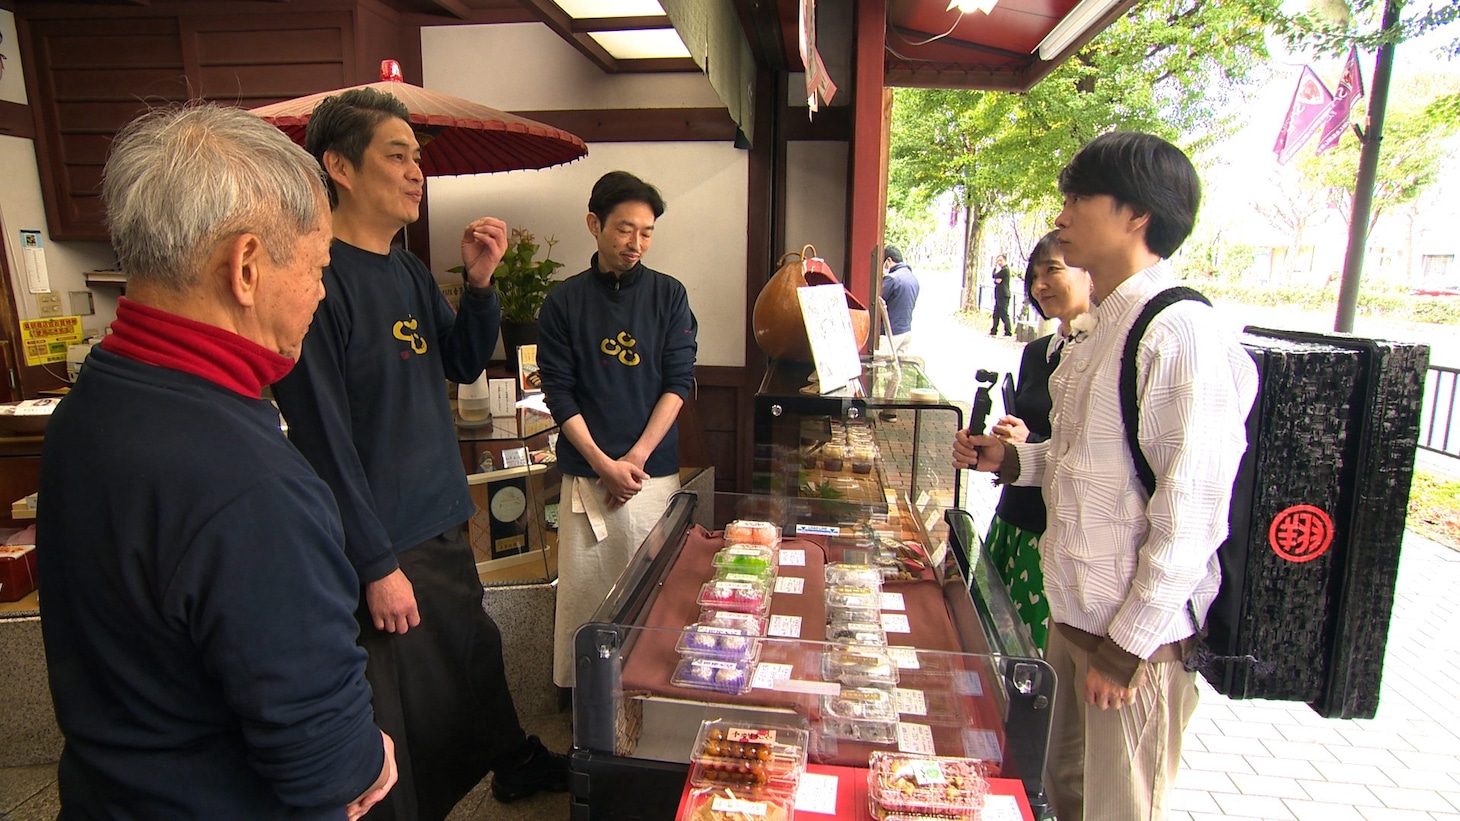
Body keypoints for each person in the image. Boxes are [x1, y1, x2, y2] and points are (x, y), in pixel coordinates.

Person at [37, 104, 396, 819]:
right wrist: (368, 754)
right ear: (246, 266)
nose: (321, 294)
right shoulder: (248, 482)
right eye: (319, 267)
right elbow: (328, 764)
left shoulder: (94, 399)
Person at [271, 87, 566, 818]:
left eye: (417, 158)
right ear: (338, 166)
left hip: (440, 514)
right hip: (386, 539)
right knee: (403, 701)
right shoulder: (318, 281)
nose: (415, 172)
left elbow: (463, 359)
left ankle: (509, 762)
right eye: (396, 156)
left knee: (471, 662)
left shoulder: (403, 269)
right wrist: (375, 564)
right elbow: (322, 441)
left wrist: (480, 280)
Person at [954, 132, 1257, 821]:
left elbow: (1194, 509)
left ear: (1136, 215)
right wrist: (1014, 461)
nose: (1061, 215)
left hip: (1133, 646)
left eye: (1078, 197)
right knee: (1063, 792)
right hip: (1076, 624)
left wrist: (1129, 646)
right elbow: (1085, 465)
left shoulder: (1178, 331)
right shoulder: (1099, 329)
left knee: (1119, 806)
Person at [539, 170, 698, 688]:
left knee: (656, 585)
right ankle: (581, 691)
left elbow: (678, 381)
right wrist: (604, 465)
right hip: (588, 475)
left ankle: (647, 688)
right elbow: (559, 394)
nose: (636, 244)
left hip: (652, 475)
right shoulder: (563, 302)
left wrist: (635, 458)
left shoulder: (670, 296)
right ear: (594, 224)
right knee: (586, 592)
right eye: (625, 229)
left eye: (647, 232)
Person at [977, 231, 1092, 652]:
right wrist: (1003, 446)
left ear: (1090, 274)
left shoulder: (1101, 354)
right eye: (1033, 274)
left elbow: (1091, 452)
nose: (1039, 284)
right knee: (995, 645)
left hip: (1052, 533)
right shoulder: (1039, 351)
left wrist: (1030, 442)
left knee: (1035, 660)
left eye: (1053, 270)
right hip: (1013, 520)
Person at [880, 244, 920, 358]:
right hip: (906, 332)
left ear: (888, 261)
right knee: (897, 371)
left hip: (890, 334)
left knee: (882, 369)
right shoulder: (913, 279)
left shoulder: (892, 279)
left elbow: (877, 301)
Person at [989, 253, 1013, 336]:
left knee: (1004, 313)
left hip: (1003, 295)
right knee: (996, 313)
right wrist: (996, 280)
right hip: (999, 295)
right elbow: (995, 278)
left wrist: (996, 279)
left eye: (1000, 260)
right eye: (998, 261)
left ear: (1005, 260)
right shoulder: (1002, 270)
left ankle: (1008, 331)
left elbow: (995, 276)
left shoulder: (1005, 270)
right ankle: (994, 330)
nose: (999, 262)